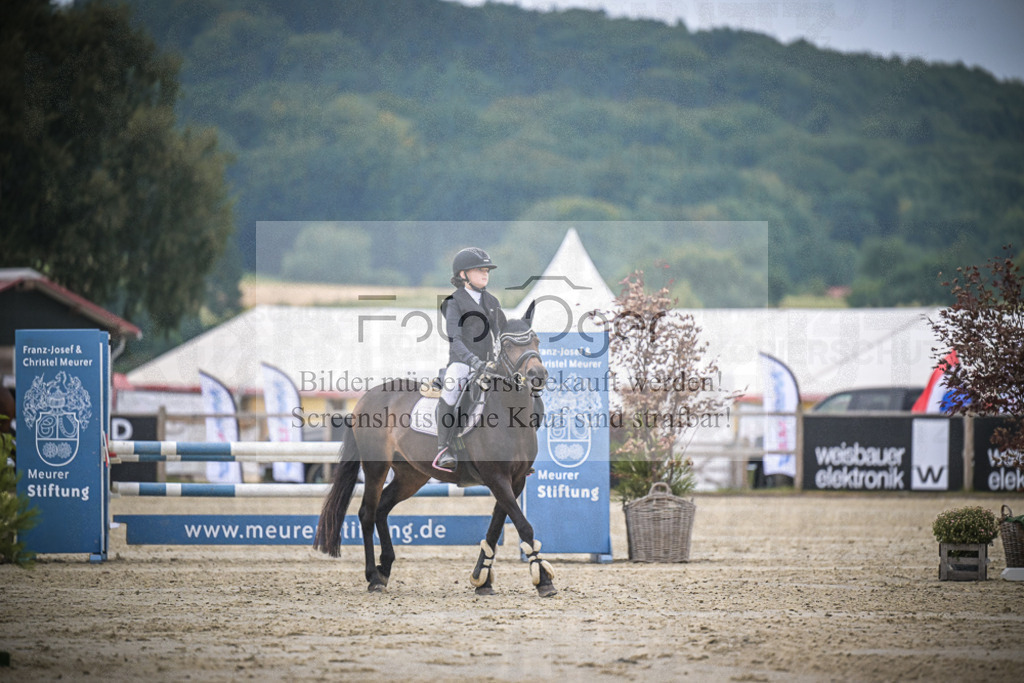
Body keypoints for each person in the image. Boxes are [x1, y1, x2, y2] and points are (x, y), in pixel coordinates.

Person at [435, 247, 506, 471]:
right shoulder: (453, 302)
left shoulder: (492, 301)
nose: (485, 274)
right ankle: (444, 447)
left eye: (487, 270)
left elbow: (500, 334)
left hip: (489, 364)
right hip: (462, 363)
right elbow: (455, 340)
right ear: (463, 274)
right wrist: (474, 362)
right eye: (479, 270)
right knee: (451, 389)